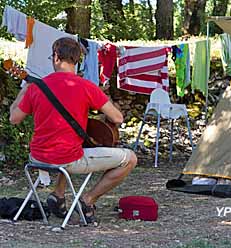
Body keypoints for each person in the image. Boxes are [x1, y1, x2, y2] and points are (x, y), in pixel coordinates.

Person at [9, 37, 137, 224]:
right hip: (68, 160)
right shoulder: (86, 87)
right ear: (77, 60)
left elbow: (14, 118)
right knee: (130, 158)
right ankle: (88, 200)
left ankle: (58, 195)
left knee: (72, 144)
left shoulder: (36, 87)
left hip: (37, 158)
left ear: (55, 57)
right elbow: (117, 118)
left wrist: (24, 90)